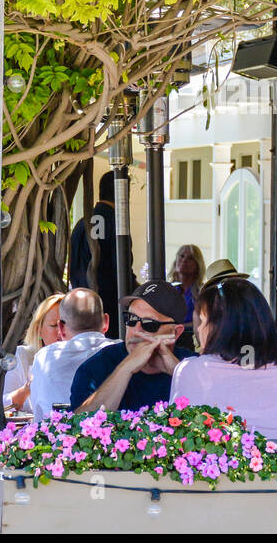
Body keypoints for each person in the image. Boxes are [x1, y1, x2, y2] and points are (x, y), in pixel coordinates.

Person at [169, 277, 277, 439]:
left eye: (203, 321)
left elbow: (176, 437)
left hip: (214, 463)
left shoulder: (189, 370)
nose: (198, 329)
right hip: (276, 462)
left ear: (222, 326)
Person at [70, 280, 195, 413]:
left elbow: (216, 417)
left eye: (149, 323)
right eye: (131, 319)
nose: (136, 330)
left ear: (176, 332)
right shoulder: (97, 366)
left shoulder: (194, 366)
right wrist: (126, 368)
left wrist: (179, 374)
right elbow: (80, 425)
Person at [26, 288, 112, 420]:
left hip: (58, 437)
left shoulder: (45, 358)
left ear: (61, 328)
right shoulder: (124, 353)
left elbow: (39, 416)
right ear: (106, 322)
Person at [68, 173, 135, 339]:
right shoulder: (118, 225)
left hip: (78, 307)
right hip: (109, 310)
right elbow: (122, 269)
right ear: (123, 194)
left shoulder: (82, 223)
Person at [3, 293, 64, 413]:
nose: (60, 331)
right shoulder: (24, 355)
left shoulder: (83, 356)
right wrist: (28, 388)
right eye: (53, 325)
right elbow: (3, 404)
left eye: (65, 324)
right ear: (39, 330)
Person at [169, 245, 206, 324]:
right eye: (181, 256)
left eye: (190, 258)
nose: (184, 260)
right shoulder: (167, 289)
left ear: (197, 265)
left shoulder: (202, 291)